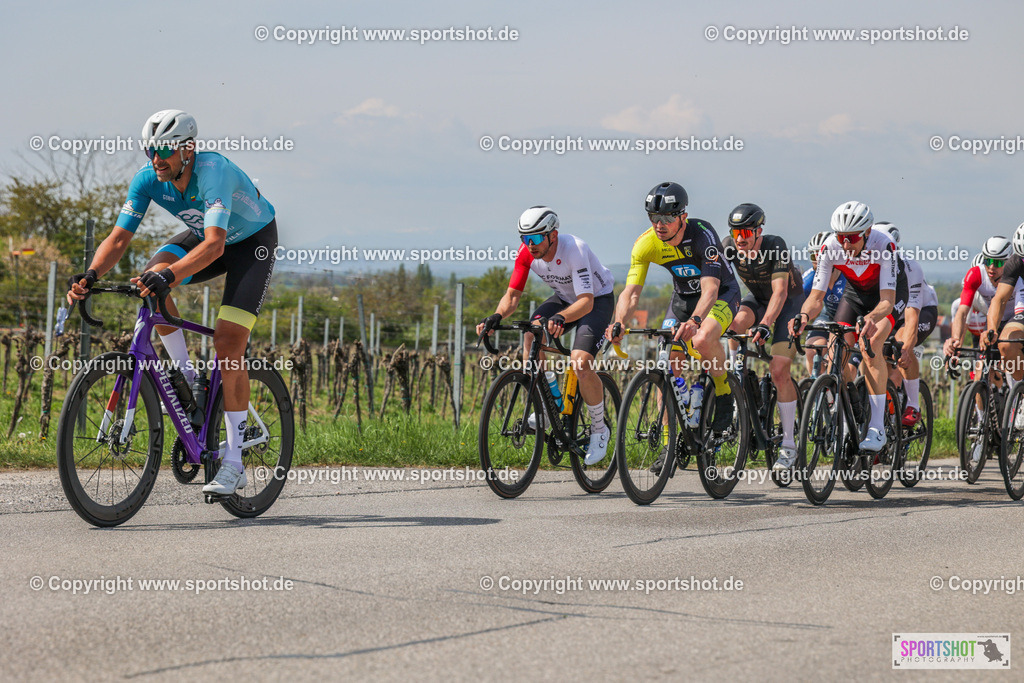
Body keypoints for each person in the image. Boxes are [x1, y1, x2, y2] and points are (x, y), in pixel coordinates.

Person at [67, 110, 277, 496]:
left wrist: (170, 276)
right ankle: (187, 375)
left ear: (188, 148)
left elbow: (215, 245)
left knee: (228, 344)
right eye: (150, 151)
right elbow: (118, 238)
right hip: (205, 235)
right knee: (151, 279)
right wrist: (90, 275)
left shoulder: (214, 171)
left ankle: (234, 463)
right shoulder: (148, 179)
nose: (156, 159)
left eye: (164, 150)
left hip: (250, 245)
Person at [607, 181, 742, 473]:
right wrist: (619, 322)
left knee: (703, 339)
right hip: (682, 299)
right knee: (667, 362)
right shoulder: (645, 244)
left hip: (721, 294)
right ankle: (669, 446)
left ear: (683, 216)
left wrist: (695, 321)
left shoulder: (702, 235)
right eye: (654, 217)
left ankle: (723, 392)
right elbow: (631, 294)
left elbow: (710, 289)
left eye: (667, 217)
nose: (660, 224)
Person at [476, 207, 615, 465]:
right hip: (565, 298)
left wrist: (561, 317)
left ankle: (599, 429)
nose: (530, 244)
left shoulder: (574, 249)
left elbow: (586, 302)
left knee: (580, 362)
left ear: (553, 235)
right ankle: (548, 404)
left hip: (596, 301)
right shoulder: (526, 253)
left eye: (536, 238)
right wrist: (496, 315)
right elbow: (512, 296)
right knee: (531, 334)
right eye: (525, 238)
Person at [790, 201, 907, 452]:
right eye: (840, 237)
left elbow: (887, 301)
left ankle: (877, 428)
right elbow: (816, 298)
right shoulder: (830, 247)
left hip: (888, 297)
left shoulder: (883, 245)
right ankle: (848, 413)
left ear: (867, 232)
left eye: (851, 238)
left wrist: (871, 318)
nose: (845, 244)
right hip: (855, 295)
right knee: (836, 354)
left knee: (871, 346)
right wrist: (803, 316)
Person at [721, 203, 805, 470]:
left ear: (759, 231)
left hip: (789, 303)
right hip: (757, 298)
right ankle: (737, 375)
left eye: (746, 232)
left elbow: (780, 292)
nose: (740, 238)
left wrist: (766, 324)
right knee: (734, 324)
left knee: (778, 369)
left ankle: (789, 445)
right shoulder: (729, 247)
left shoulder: (774, 245)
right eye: (736, 233)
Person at [873, 223, 938, 426]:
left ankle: (913, 405)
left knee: (901, 345)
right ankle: (886, 415)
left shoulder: (911, 268)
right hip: (893, 313)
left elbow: (911, 316)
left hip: (921, 310)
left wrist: (907, 349)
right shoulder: (870, 266)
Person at [801, 231, 846, 377]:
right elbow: (798, 302)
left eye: (822, 255)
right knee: (812, 349)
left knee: (841, 362)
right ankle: (818, 386)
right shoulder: (810, 277)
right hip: (828, 314)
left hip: (851, 316)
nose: (819, 261)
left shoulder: (847, 275)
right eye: (814, 257)